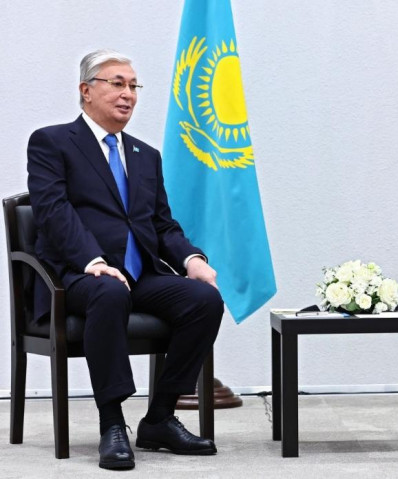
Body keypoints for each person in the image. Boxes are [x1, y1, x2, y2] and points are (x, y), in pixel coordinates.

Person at [26, 49, 224, 471]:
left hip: (139, 274)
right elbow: (53, 212)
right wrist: (91, 259)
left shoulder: (144, 155)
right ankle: (112, 423)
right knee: (110, 292)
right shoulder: (52, 142)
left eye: (133, 86)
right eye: (117, 83)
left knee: (204, 299)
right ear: (86, 90)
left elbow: (161, 224)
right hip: (75, 276)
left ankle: (160, 418)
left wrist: (191, 259)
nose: (128, 94)